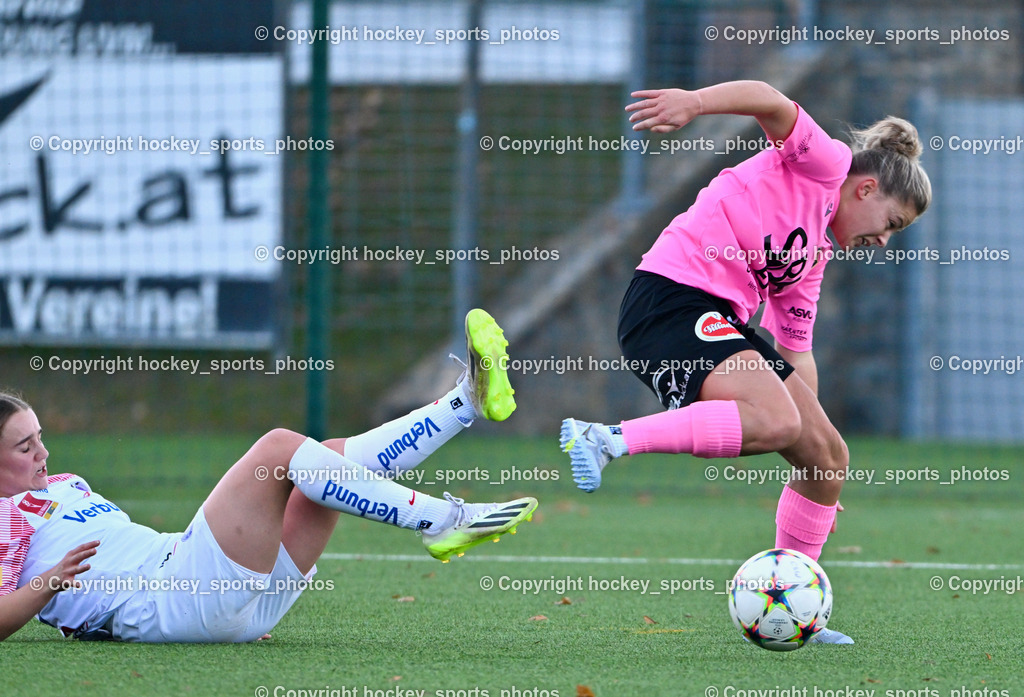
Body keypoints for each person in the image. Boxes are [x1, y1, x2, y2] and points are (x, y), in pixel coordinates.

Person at [560, 81, 931, 644]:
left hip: (719, 319)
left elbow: (795, 354)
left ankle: (797, 601)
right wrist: (694, 103)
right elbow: (770, 99)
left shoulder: (810, 260)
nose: (884, 241)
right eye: (892, 224)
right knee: (780, 421)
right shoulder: (825, 163)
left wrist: (810, 450)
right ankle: (606, 439)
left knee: (828, 455)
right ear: (867, 188)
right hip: (670, 299)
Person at [0, 309, 537, 643]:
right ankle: (443, 520)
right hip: (173, 599)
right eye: (26, 446)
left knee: (323, 465)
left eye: (41, 436)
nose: (43, 453)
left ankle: (463, 402)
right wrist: (49, 585)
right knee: (281, 449)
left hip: (222, 600)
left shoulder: (61, 485)